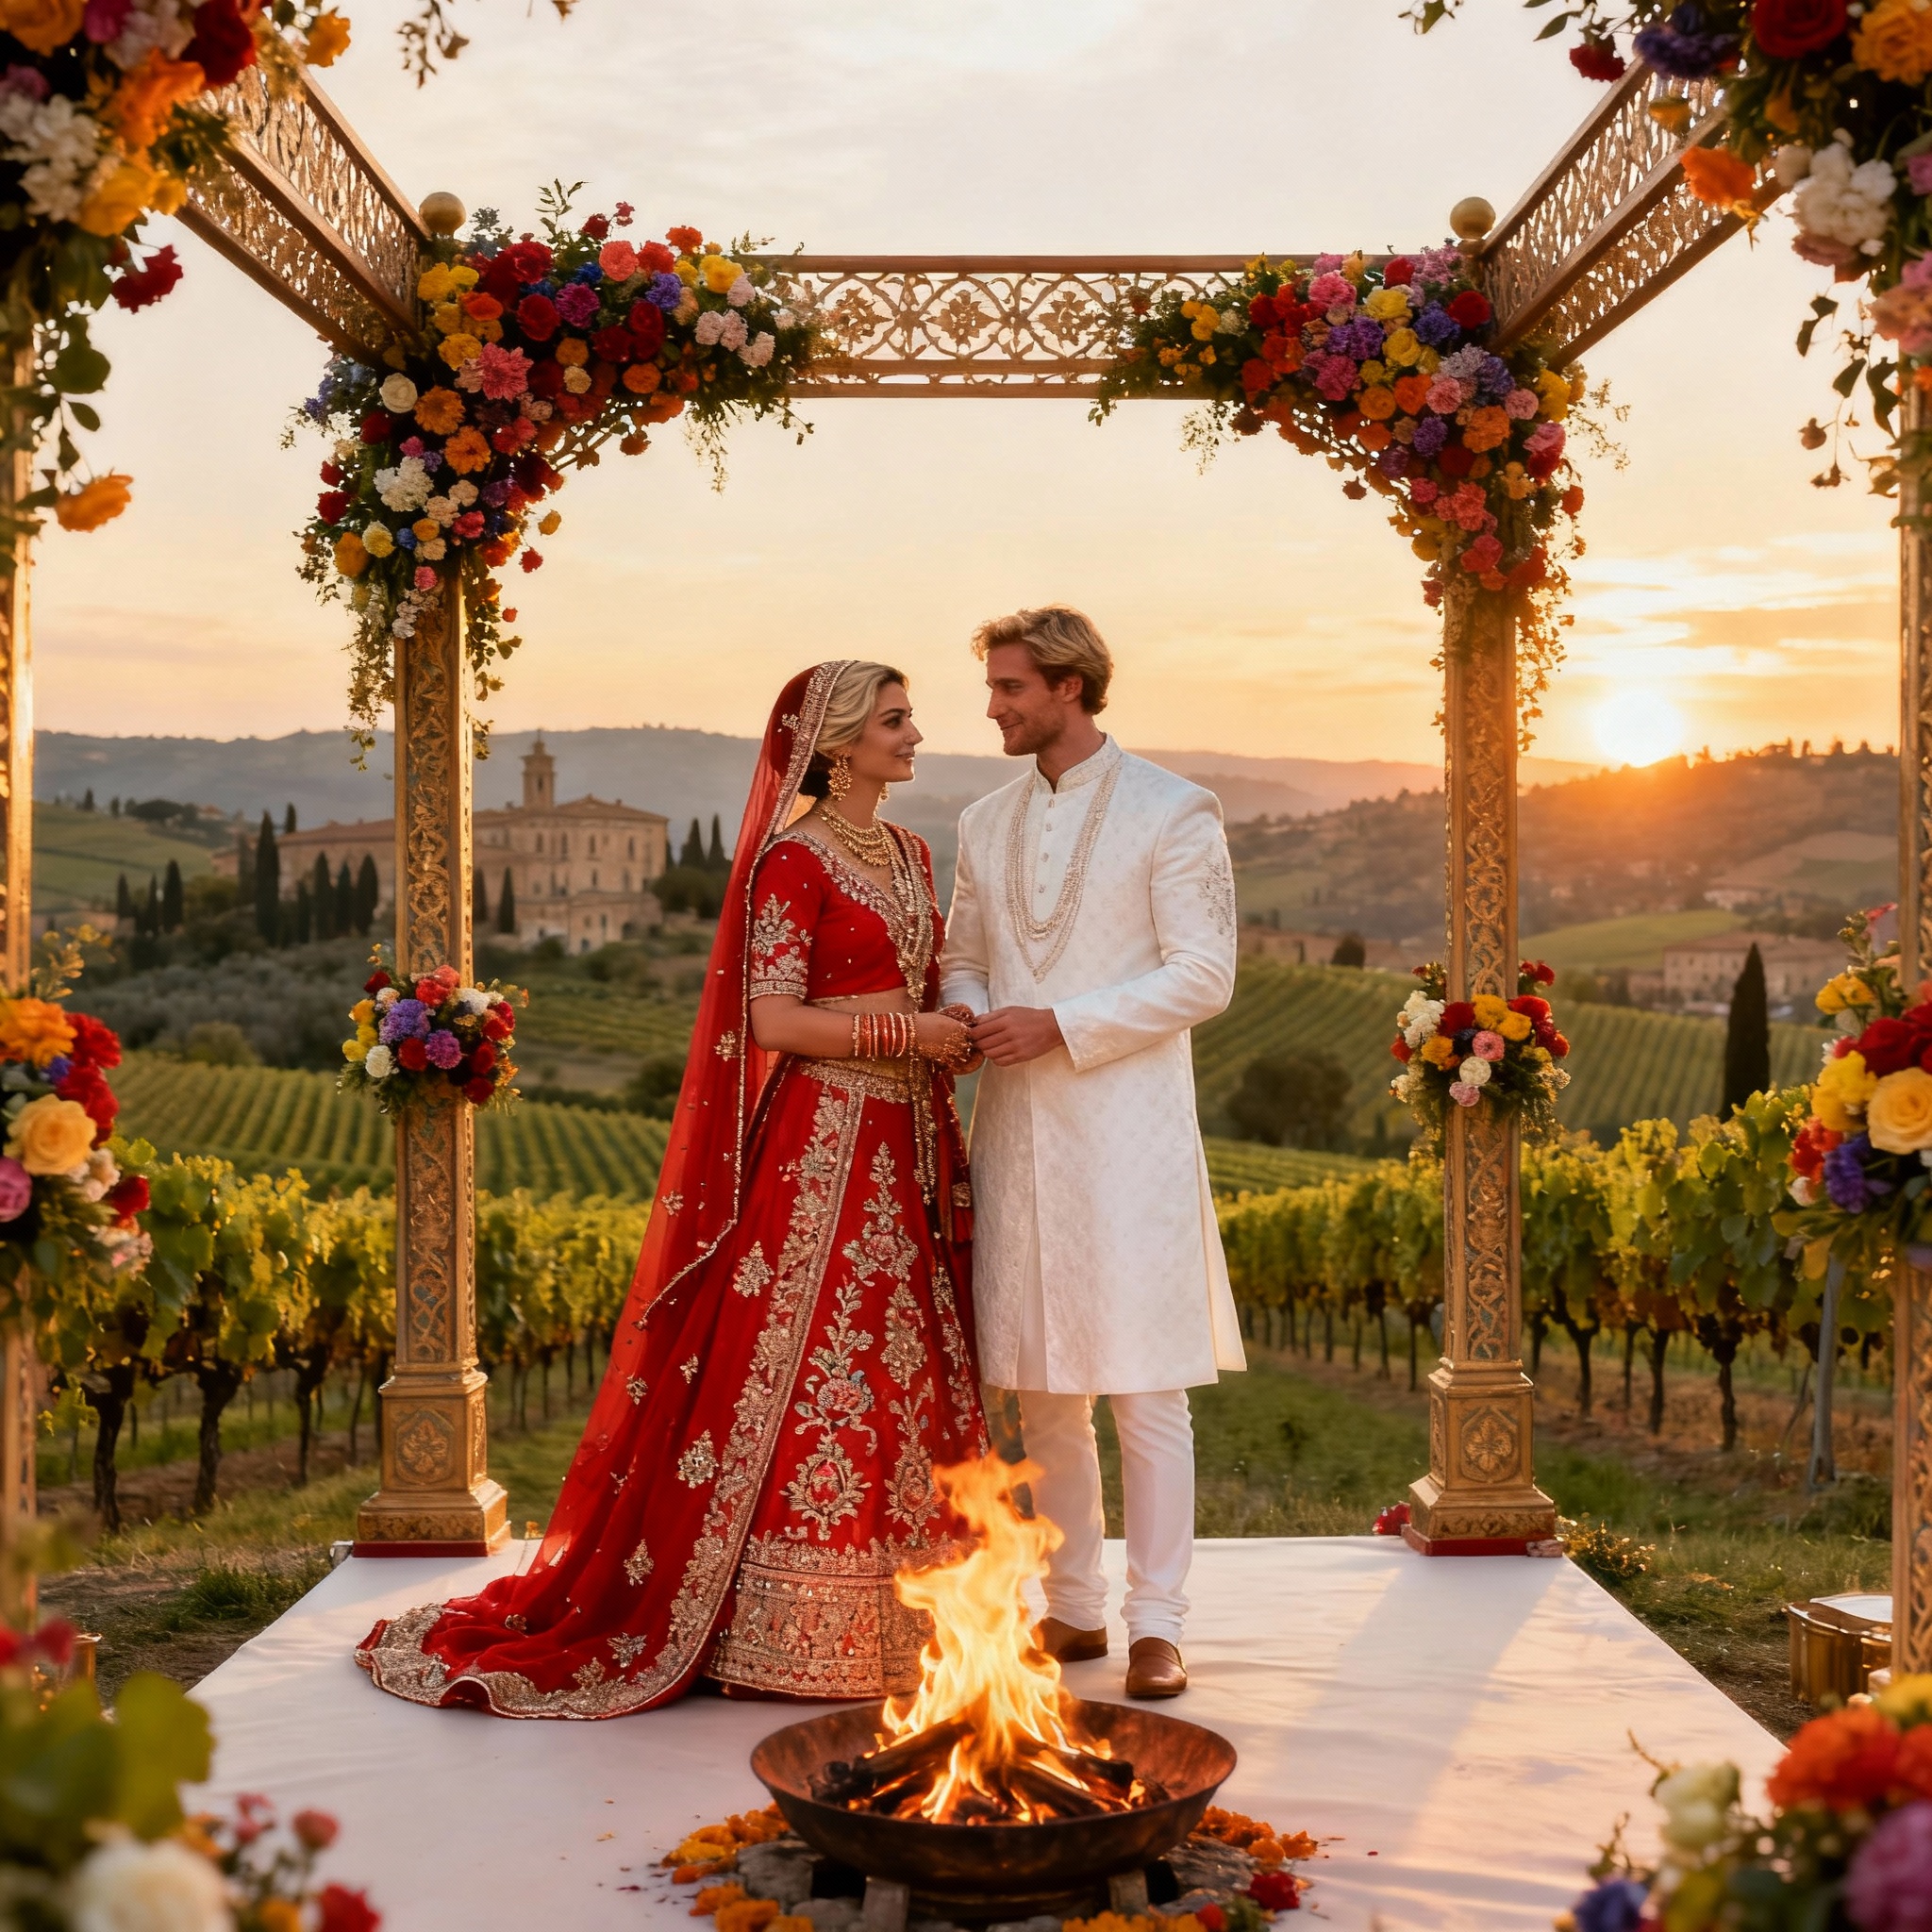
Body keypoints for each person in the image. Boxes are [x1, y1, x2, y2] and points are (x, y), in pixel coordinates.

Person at [358, 661, 985, 1717]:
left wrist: (943, 1040)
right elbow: (775, 1021)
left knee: (901, 1357)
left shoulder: (914, 854)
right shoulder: (790, 859)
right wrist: (902, 1033)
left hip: (902, 1139)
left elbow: (920, 985)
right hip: (822, 1138)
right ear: (836, 744)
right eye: (894, 720)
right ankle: (777, 1622)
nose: (914, 733)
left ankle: (907, 1613)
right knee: (806, 1356)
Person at [940, 607, 1243, 1701]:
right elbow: (963, 956)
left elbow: (1202, 973)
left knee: (1144, 1386)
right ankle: (1073, 1607)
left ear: (1068, 686)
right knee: (1040, 1389)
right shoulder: (982, 820)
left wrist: (1058, 1022)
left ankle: (1156, 1621)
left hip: (1129, 1135)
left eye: (1009, 687)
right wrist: (975, 1013)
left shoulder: (1172, 807)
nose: (992, 707)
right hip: (1017, 1127)